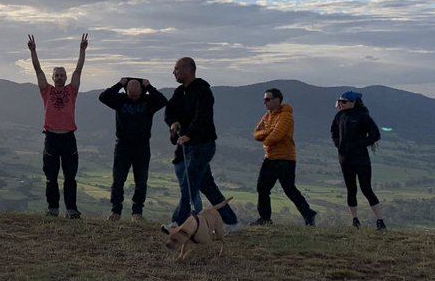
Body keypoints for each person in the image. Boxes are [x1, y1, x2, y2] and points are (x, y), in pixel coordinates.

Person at [164, 57, 240, 230]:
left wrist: (189, 135)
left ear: (188, 69)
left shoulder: (203, 90)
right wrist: (173, 123)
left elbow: (203, 116)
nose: (173, 72)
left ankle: (178, 222)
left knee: (189, 184)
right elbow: (169, 111)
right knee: (208, 186)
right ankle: (231, 221)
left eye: (176, 68)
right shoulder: (179, 92)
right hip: (188, 146)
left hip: (202, 145)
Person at [28, 33, 88, 218]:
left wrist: (82, 50)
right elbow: (38, 71)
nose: (60, 77)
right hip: (51, 138)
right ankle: (52, 209)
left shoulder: (72, 90)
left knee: (70, 178)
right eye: (57, 75)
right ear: (53, 77)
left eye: (62, 75)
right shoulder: (46, 91)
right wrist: (33, 51)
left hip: (69, 138)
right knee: (51, 177)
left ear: (65, 77)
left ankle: (71, 210)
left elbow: (78, 71)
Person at [99, 77, 168, 221]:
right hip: (122, 145)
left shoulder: (149, 101)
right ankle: (115, 212)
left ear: (142, 91)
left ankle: (137, 213)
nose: (134, 97)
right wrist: (119, 84)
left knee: (141, 181)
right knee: (118, 180)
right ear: (126, 91)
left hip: (142, 146)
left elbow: (162, 100)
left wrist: (149, 87)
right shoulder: (120, 100)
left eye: (137, 94)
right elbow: (103, 97)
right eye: (131, 95)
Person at [252, 88, 316, 226]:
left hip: (285, 159)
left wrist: (266, 140)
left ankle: (308, 213)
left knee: (289, 189)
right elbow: (256, 134)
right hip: (270, 157)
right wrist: (268, 131)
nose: (265, 102)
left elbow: (277, 135)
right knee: (262, 187)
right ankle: (265, 218)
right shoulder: (267, 116)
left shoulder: (286, 116)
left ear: (277, 100)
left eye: (268, 99)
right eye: (264, 100)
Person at [331, 90, 386, 230]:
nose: (340, 104)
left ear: (353, 102)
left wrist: (362, 144)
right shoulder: (339, 116)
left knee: (366, 188)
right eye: (339, 102)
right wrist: (339, 144)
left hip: (361, 158)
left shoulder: (363, 116)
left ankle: (380, 221)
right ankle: (355, 220)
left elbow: (375, 134)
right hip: (344, 158)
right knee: (351, 189)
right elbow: (334, 132)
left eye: (343, 102)